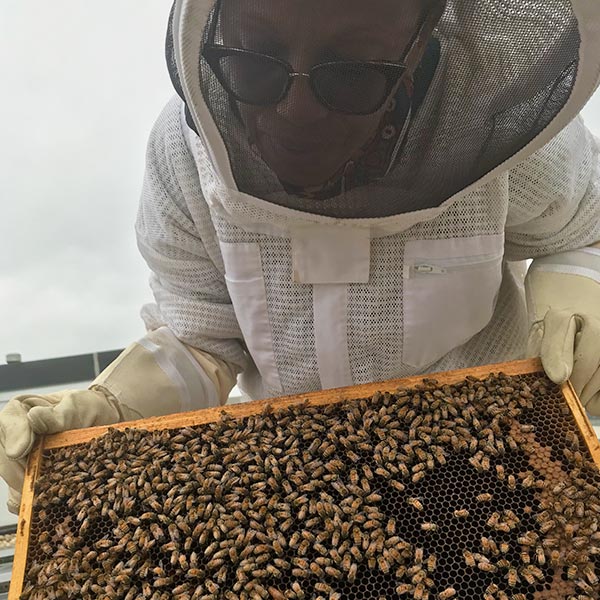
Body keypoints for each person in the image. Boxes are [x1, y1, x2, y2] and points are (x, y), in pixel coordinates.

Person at [2, 0, 600, 513]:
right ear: (213, 41)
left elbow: (583, 230)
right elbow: (203, 339)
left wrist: (579, 290)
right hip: (294, 483)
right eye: (255, 65)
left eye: (351, 74)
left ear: (418, 50)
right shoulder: (183, 160)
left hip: (489, 459)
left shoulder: (499, 125)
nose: (298, 112)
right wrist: (109, 405)